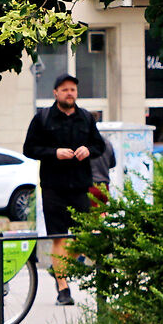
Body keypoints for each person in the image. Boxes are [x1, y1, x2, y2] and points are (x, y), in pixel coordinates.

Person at [21, 73, 107, 306]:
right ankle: (63, 288)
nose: (70, 93)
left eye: (73, 90)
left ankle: (59, 265)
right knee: (58, 238)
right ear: (56, 93)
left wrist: (88, 150)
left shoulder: (86, 118)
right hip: (53, 187)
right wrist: (54, 153)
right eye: (65, 89)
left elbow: (99, 146)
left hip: (80, 186)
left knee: (84, 236)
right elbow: (29, 149)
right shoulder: (43, 118)